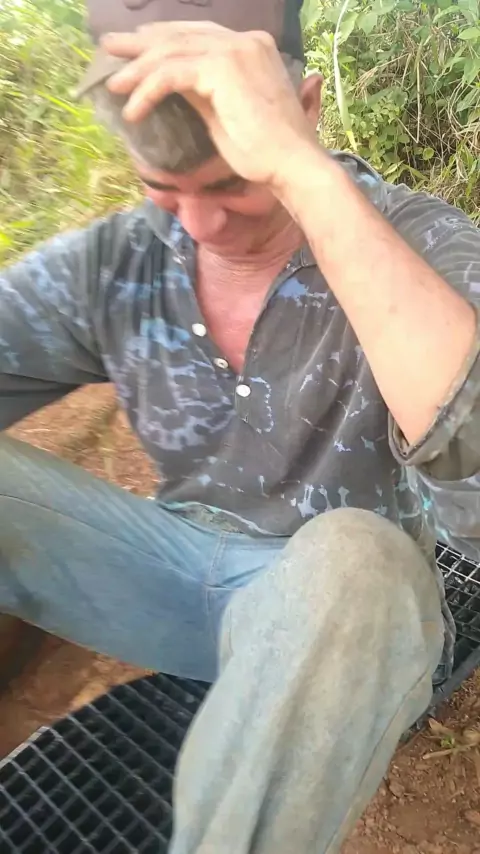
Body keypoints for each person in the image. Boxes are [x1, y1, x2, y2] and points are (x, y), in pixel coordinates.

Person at [1, 0, 479, 850]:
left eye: (232, 183)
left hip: (345, 626)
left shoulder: (423, 247)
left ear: (306, 109)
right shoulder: (115, 262)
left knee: (356, 559)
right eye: (163, 188)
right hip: (170, 582)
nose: (200, 226)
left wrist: (306, 178)